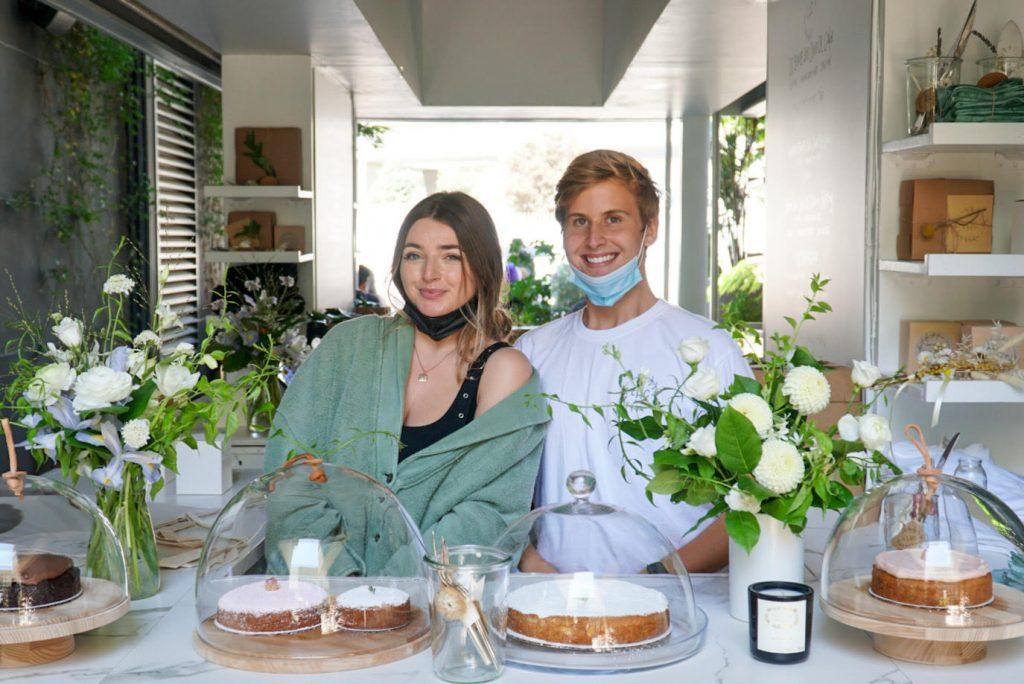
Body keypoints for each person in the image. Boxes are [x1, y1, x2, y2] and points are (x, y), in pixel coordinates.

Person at [264, 192, 547, 572]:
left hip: (437, 606)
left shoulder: (504, 371)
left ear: (483, 267)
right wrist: (341, 585)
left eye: (451, 257)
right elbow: (290, 475)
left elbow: (489, 513)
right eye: (414, 255)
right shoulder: (347, 345)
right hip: (321, 600)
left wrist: (392, 598)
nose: (429, 274)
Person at [515, 150, 752, 574]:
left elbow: (750, 497)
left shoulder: (708, 348)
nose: (594, 240)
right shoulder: (533, 352)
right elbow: (502, 491)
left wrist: (656, 581)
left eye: (614, 219)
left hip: (675, 604)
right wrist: (537, 572)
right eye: (579, 222)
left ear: (650, 228)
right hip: (555, 604)